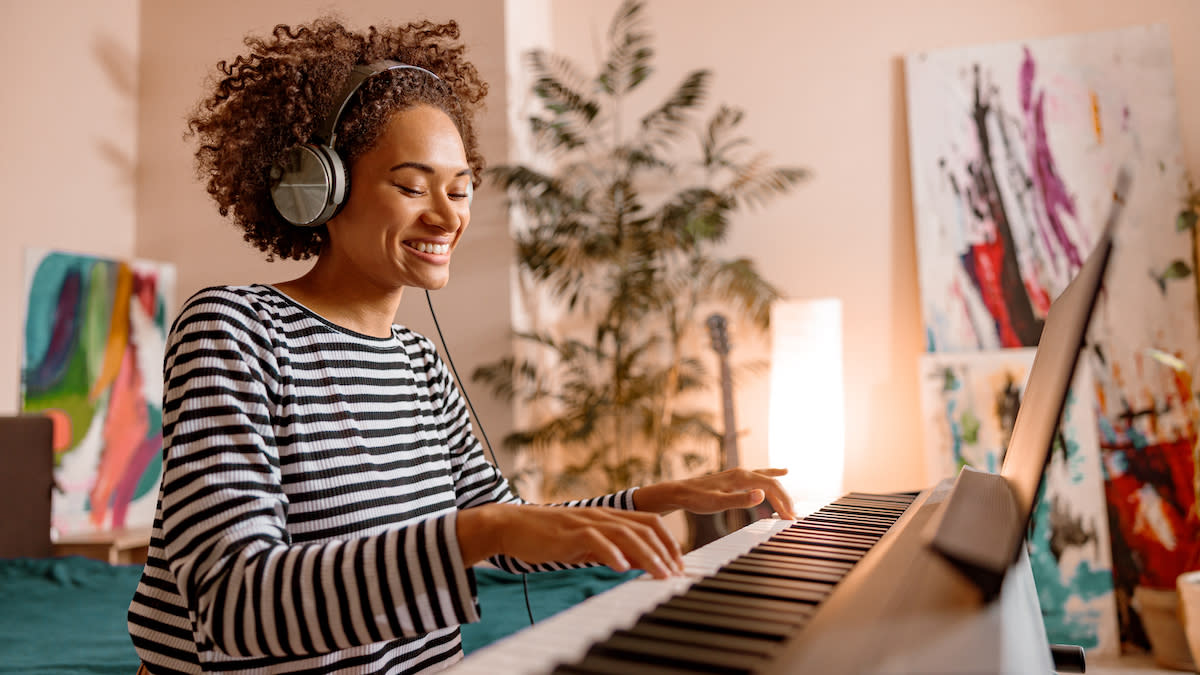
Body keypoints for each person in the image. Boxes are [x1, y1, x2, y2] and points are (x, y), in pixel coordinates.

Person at [126, 16, 796, 675]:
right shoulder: (234, 330)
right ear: (318, 189)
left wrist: (659, 496)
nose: (447, 216)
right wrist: (481, 532)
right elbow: (233, 604)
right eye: (413, 187)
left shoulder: (418, 362)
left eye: (460, 189)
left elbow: (504, 527)